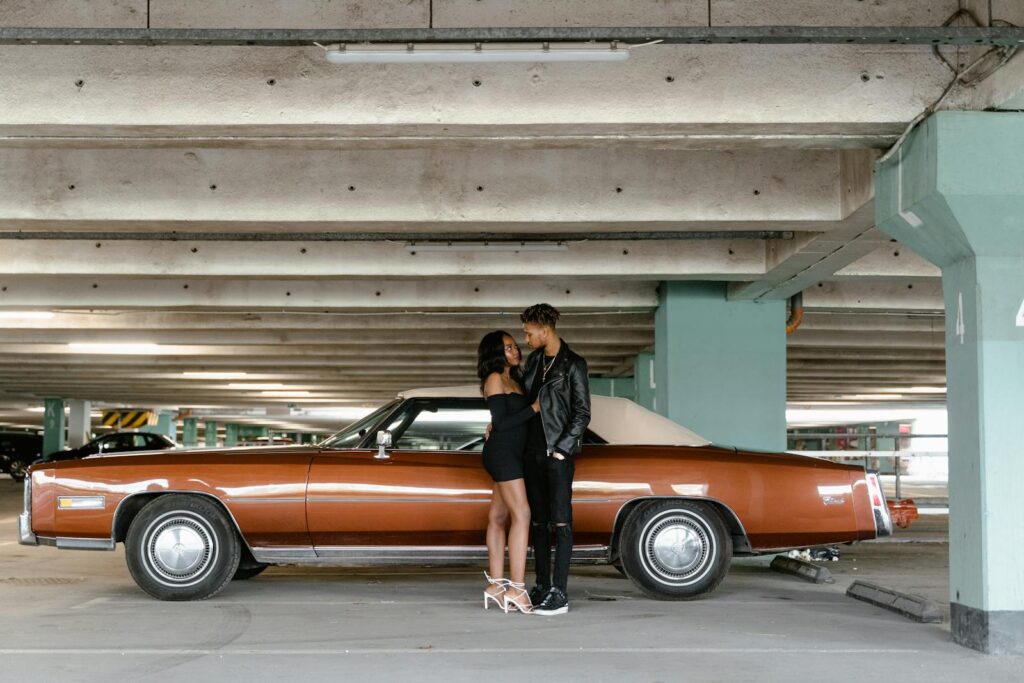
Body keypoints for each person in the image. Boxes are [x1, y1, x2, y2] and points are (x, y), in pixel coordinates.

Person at [520, 303, 591, 616]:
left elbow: (582, 412)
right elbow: (524, 402)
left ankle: (559, 593)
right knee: (538, 523)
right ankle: (542, 586)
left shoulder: (573, 364)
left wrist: (561, 449)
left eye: (528, 332)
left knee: (561, 523)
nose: (526, 338)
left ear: (543, 329)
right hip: (531, 453)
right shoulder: (534, 362)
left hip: (557, 455)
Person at [477, 330, 539, 614]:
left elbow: (503, 421)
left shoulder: (514, 380)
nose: (515, 350)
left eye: (515, 346)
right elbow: (501, 423)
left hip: (513, 453)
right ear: (495, 352)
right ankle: (517, 588)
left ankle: (496, 586)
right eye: (508, 347)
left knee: (498, 516)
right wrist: (535, 408)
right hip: (502, 453)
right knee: (522, 514)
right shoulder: (493, 379)